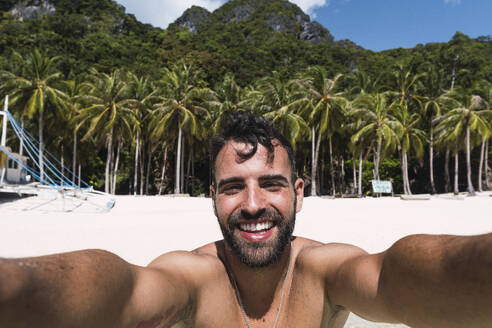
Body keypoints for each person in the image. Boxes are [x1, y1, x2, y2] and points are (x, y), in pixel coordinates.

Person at [0, 112, 491, 328]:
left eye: (272, 184)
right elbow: (122, 291)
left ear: (298, 194)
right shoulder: (194, 277)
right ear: (212, 199)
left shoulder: (323, 270)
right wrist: (16, 287)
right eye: (233, 188)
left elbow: (398, 278)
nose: (253, 204)